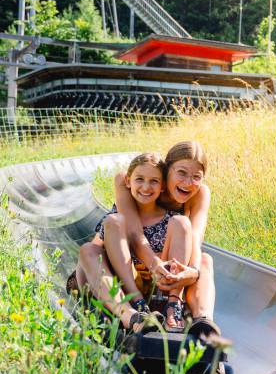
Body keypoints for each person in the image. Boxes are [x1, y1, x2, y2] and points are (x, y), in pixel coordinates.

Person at [74, 141, 216, 331]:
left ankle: (201, 321)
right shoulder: (128, 181)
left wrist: (192, 272)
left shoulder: (196, 195)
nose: (188, 182)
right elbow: (134, 234)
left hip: (158, 278)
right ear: (167, 173)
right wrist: (155, 264)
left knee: (204, 260)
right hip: (118, 269)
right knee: (91, 247)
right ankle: (131, 311)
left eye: (196, 177)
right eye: (181, 173)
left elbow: (195, 241)